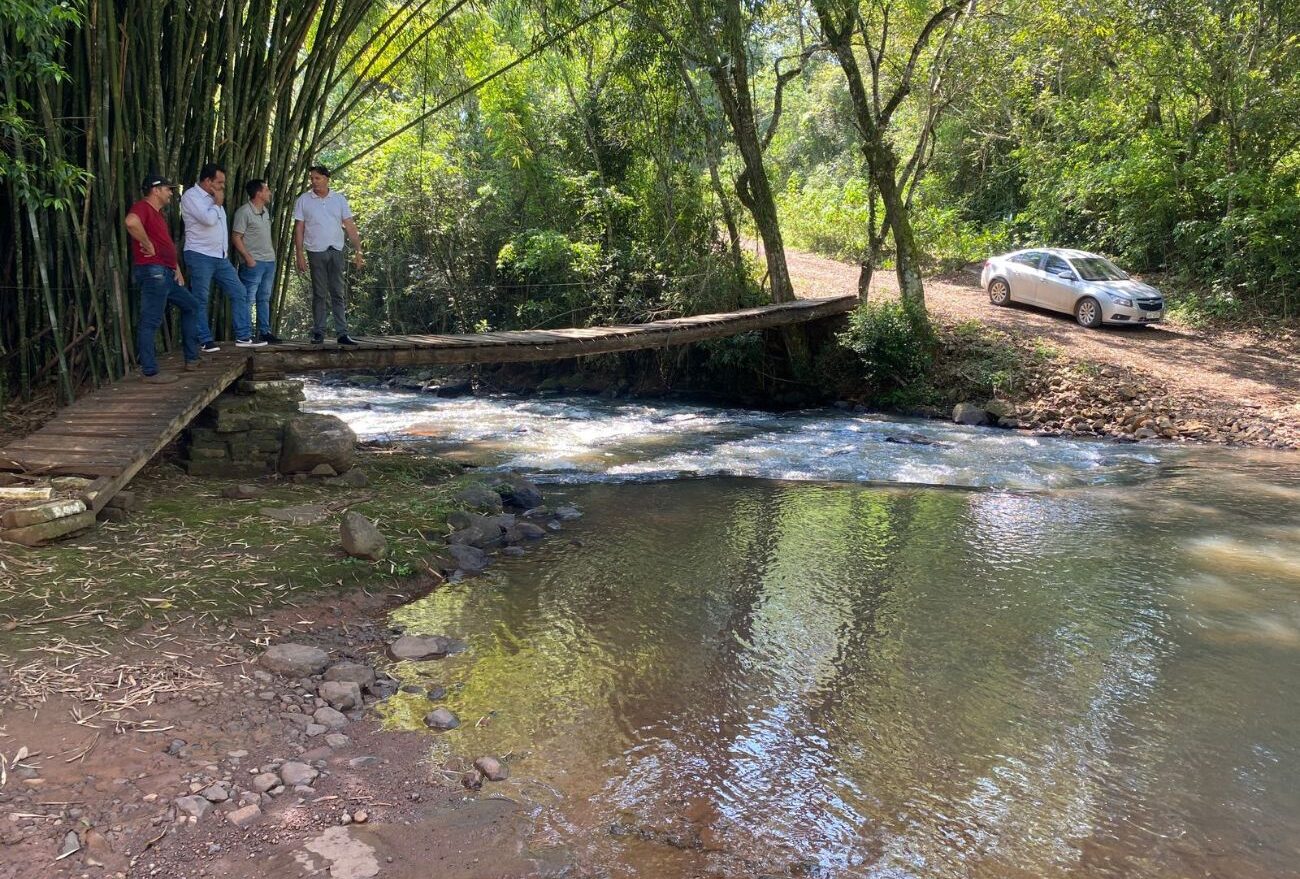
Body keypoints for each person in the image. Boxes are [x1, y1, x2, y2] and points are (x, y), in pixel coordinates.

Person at [122, 175, 203, 384]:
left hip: (166, 273)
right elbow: (130, 222)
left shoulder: (158, 215)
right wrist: (146, 243)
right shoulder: (143, 207)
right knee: (150, 320)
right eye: (168, 189)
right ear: (156, 190)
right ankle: (150, 372)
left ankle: (192, 359)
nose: (171, 193)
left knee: (191, 306)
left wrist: (176, 268)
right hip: (154, 272)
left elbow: (164, 244)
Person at [180, 162, 266, 349]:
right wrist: (218, 203)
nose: (222, 187)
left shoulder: (213, 198)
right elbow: (209, 220)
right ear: (207, 181)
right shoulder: (191, 196)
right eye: (219, 182)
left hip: (220, 256)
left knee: (239, 292)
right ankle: (204, 339)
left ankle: (243, 336)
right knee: (201, 297)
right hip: (199, 254)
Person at [293, 165, 364, 346]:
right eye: (311, 178)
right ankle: (319, 332)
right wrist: (299, 253)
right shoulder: (304, 199)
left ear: (326, 179)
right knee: (319, 293)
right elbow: (299, 227)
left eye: (317, 178)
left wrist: (358, 250)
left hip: (336, 249)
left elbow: (349, 224)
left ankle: (342, 333)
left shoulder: (338, 199)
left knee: (337, 292)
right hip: (315, 250)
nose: (313, 182)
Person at [232, 178, 282, 343]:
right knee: (247, 298)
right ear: (258, 193)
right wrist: (247, 257)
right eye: (266, 190)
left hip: (269, 261)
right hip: (253, 262)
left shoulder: (266, 211)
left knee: (264, 297)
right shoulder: (244, 212)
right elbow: (236, 237)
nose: (270, 193)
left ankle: (264, 331)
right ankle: (245, 334)